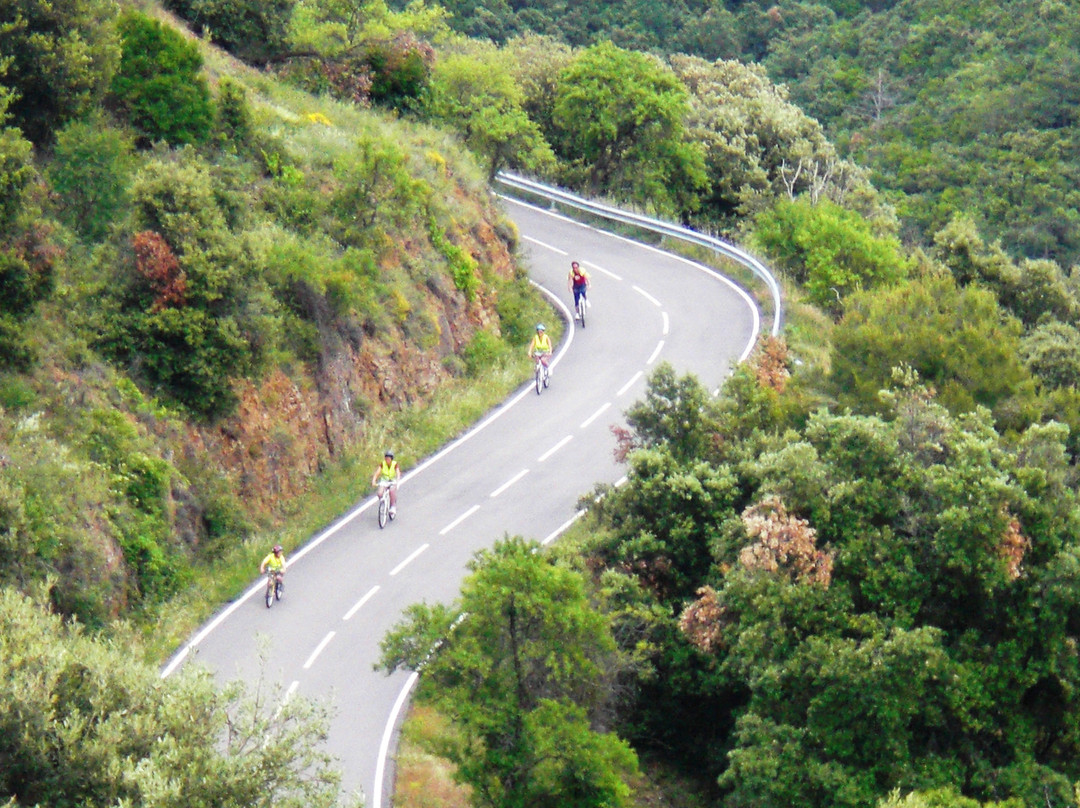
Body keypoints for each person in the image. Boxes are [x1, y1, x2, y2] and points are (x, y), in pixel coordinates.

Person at [371, 450, 401, 517]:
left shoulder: (394, 464)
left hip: (392, 481)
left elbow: (398, 473)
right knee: (380, 493)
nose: (387, 460)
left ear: (391, 459)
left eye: (388, 458)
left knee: (391, 491)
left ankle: (393, 506)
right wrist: (374, 480)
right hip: (384, 481)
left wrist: (398, 482)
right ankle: (383, 503)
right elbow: (377, 473)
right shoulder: (383, 464)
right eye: (386, 458)